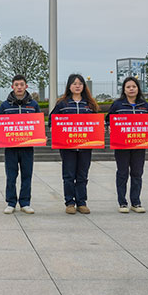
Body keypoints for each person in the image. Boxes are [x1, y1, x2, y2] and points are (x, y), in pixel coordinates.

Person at [49, 74, 99, 215]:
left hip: (85, 146)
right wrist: (53, 127)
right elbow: (52, 120)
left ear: (84, 86)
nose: (77, 86)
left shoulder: (89, 104)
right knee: (69, 175)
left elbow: (96, 122)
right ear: (69, 86)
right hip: (67, 147)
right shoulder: (62, 104)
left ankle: (81, 202)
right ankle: (70, 202)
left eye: (80, 83)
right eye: (74, 83)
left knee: (82, 175)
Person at [105, 76, 148, 214]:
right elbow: (108, 120)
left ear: (138, 88)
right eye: (128, 87)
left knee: (137, 173)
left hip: (139, 145)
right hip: (122, 146)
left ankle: (136, 202)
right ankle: (122, 202)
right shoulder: (117, 105)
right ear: (124, 90)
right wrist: (109, 126)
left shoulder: (145, 106)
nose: (131, 89)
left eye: (134, 86)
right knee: (122, 173)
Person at [0, 74, 41, 214]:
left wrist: (40, 135)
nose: (19, 87)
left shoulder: (33, 105)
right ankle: (11, 203)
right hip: (10, 148)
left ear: (26, 86)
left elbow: (38, 124)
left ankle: (25, 203)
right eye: (16, 85)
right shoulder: (5, 106)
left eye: (22, 85)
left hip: (27, 147)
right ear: (12, 87)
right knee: (11, 176)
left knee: (27, 175)